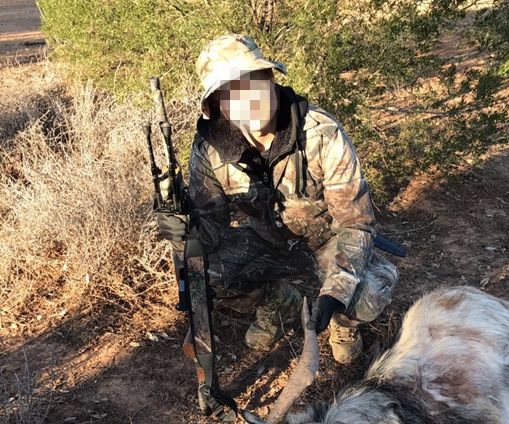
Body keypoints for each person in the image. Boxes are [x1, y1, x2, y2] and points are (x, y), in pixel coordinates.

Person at [156, 34, 399, 364]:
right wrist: (186, 228)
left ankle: (343, 323)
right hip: (265, 240)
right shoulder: (209, 149)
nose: (246, 101)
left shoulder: (321, 132)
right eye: (230, 94)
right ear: (218, 106)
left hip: (328, 239)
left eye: (252, 84)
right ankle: (278, 301)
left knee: (368, 294)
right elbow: (211, 232)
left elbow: (356, 224)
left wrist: (334, 294)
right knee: (206, 271)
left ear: (269, 80)